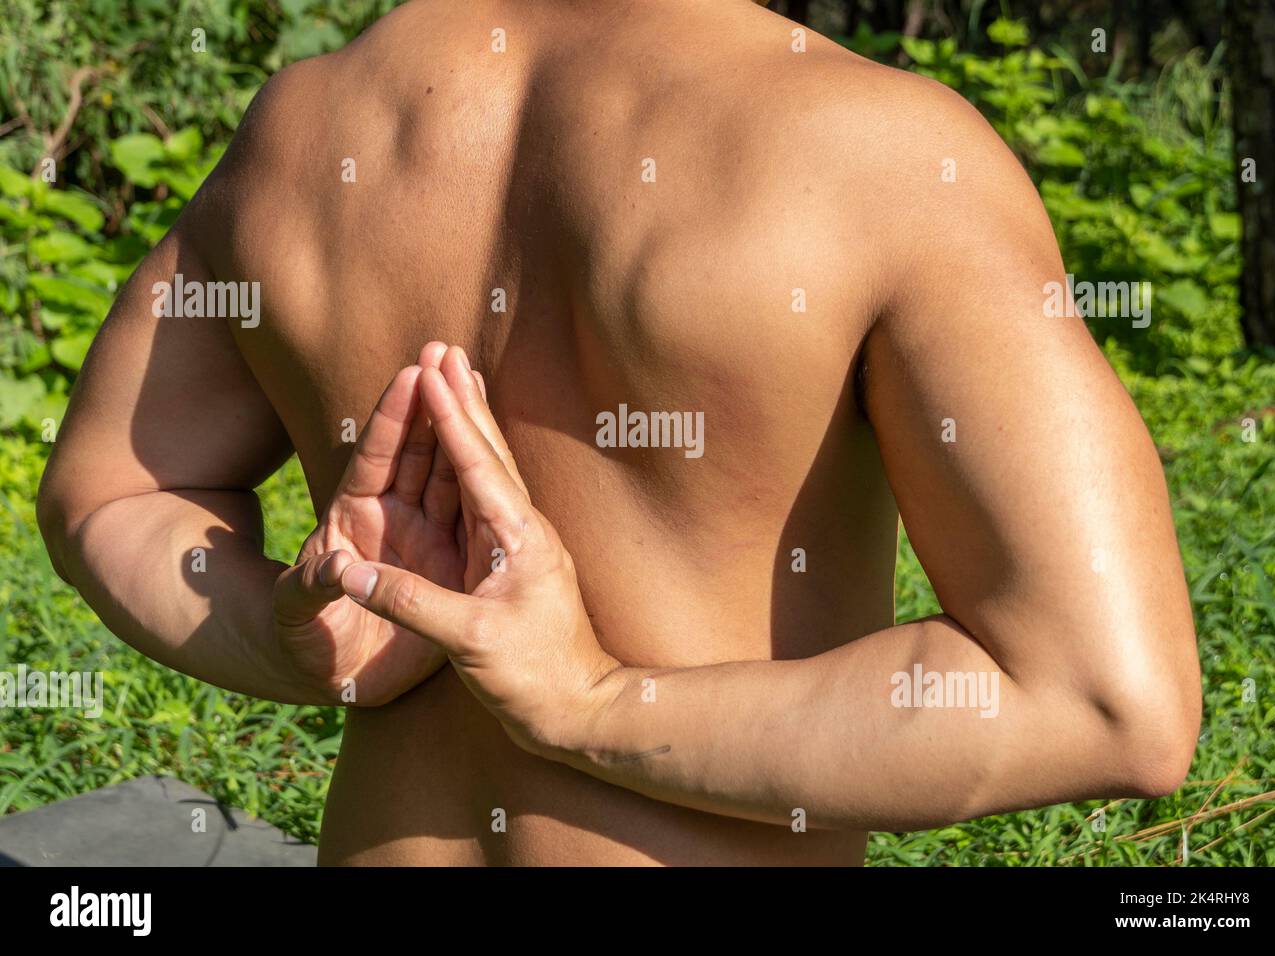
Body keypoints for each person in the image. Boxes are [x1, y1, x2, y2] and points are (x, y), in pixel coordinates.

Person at [36, 0, 1201, 866]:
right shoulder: (879, 152)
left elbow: (108, 491)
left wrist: (285, 634)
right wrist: (588, 703)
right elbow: (1103, 696)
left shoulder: (308, 123)